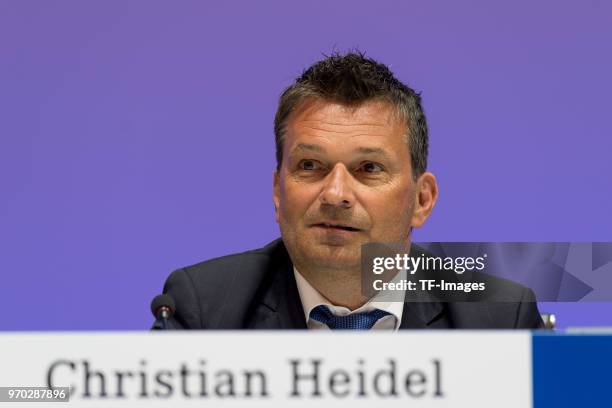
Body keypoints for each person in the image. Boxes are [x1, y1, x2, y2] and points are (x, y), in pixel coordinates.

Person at [156, 52, 544, 330]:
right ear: (278, 191)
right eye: (310, 166)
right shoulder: (204, 310)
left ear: (421, 200)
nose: (335, 193)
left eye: (368, 169)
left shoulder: (498, 318)